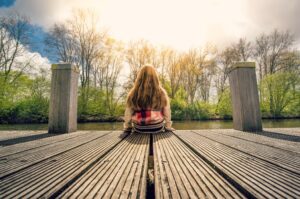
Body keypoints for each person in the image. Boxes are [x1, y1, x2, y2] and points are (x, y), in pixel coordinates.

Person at [123, 64, 175, 134]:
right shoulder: (162, 92)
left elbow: (128, 113)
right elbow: (167, 111)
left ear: (139, 77)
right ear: (155, 77)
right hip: (157, 127)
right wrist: (168, 126)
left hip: (139, 128)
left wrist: (128, 127)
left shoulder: (133, 92)